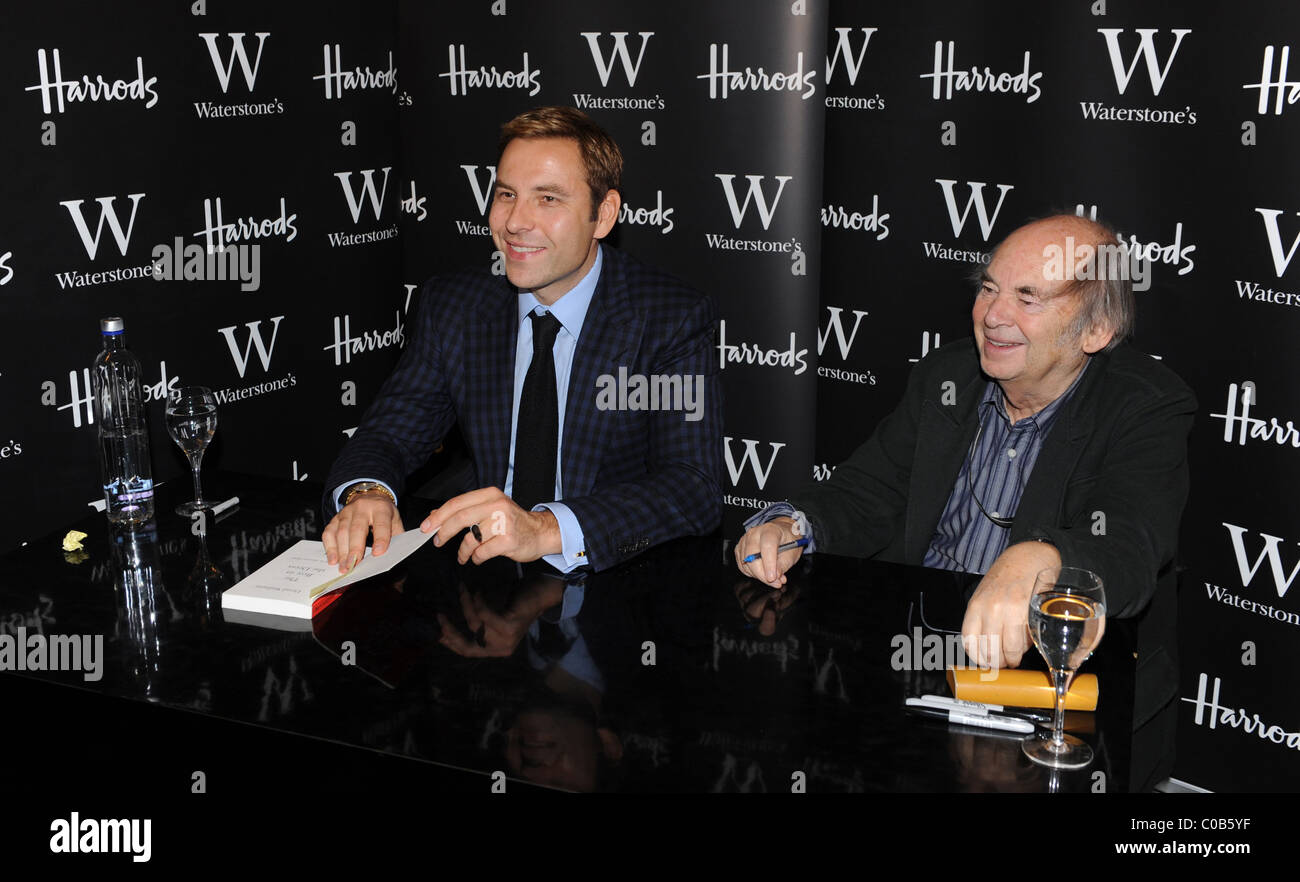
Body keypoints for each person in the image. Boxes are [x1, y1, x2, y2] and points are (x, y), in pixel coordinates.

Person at [734, 214, 1196, 788]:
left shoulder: (1145, 408)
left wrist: (1038, 559)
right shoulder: (947, 375)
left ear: (1095, 329)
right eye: (988, 288)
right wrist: (791, 524)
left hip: (1055, 696)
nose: (993, 316)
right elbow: (870, 489)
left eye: (1028, 298)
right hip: (920, 663)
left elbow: (1129, 542)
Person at [324, 106, 722, 574]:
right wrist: (366, 493)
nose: (515, 222)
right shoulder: (455, 307)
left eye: (548, 199)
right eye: (506, 194)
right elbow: (390, 433)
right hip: (486, 583)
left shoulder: (668, 319)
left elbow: (692, 486)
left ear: (604, 214)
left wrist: (545, 528)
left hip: (611, 585)